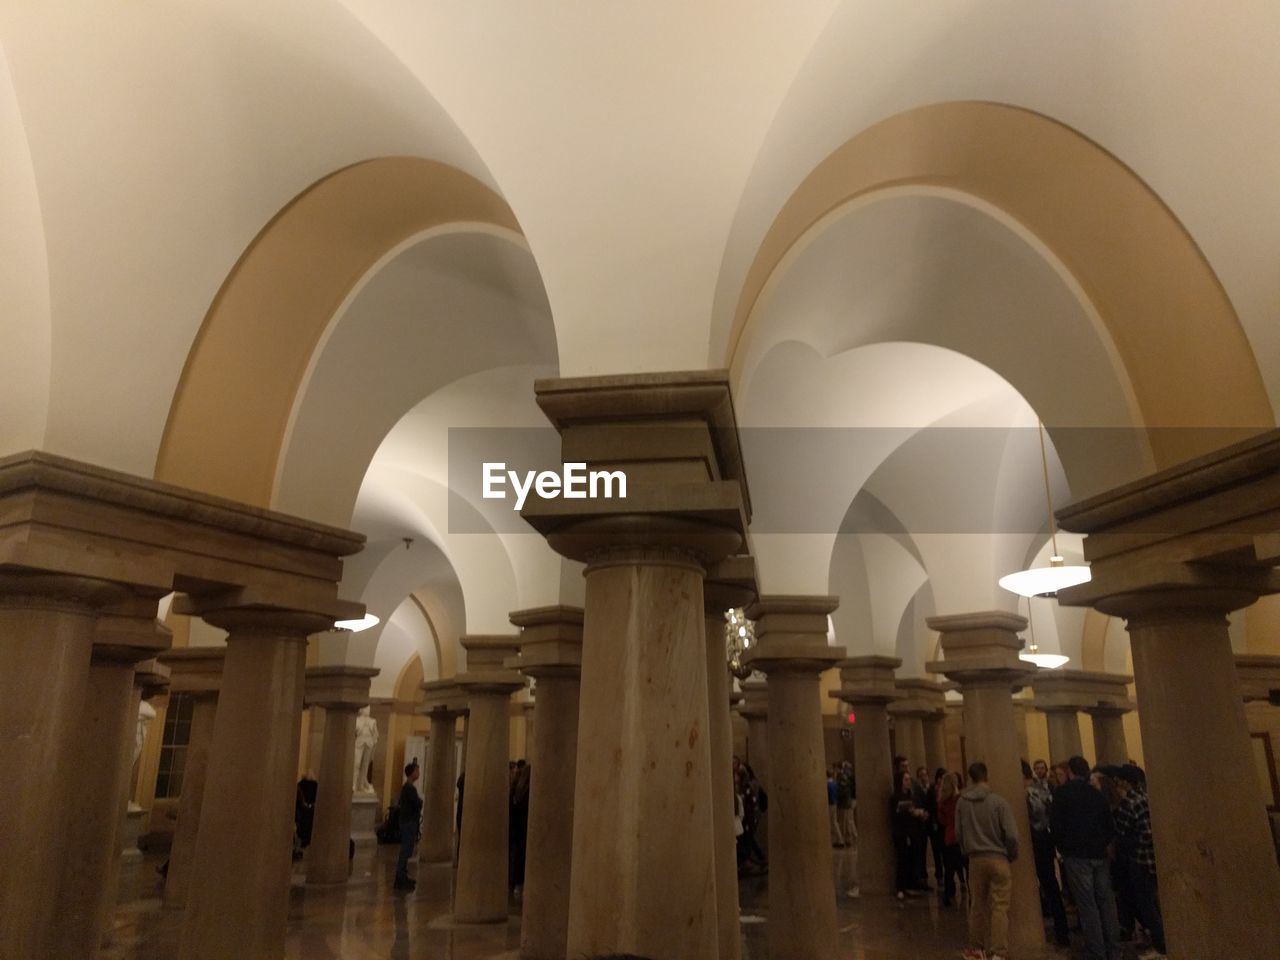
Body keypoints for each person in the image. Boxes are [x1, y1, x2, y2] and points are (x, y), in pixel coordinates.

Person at [1052, 756, 1121, 960]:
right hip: (1098, 854)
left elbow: (1056, 826)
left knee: (1087, 904)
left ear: (1071, 772)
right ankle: (1114, 949)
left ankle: (1096, 951)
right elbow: (1109, 825)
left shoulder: (1062, 794)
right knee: (1106, 902)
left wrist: (1063, 848)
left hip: (1076, 855)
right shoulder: (1096, 794)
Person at [955, 762, 1019, 960]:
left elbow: (959, 833)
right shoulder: (999, 802)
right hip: (998, 857)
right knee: (1000, 907)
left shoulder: (962, 803)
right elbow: (1012, 835)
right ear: (986, 777)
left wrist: (967, 850)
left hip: (976, 858)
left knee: (977, 906)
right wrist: (1010, 854)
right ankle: (998, 952)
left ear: (970, 778)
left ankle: (977, 949)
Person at [1112, 765, 1166, 958]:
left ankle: (1161, 942)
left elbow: (1121, 831)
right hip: (1154, 856)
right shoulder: (1148, 796)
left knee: (1144, 903)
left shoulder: (1129, 802)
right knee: (1154, 900)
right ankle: (1160, 936)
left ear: (1125, 782)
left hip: (1140, 857)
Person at [1025, 759, 1070, 947]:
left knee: (1050, 884)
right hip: (1046, 841)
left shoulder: (1035, 792)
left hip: (1041, 842)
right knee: (1050, 885)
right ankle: (1060, 929)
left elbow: (1040, 818)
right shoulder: (1041, 791)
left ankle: (1060, 930)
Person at [890, 771, 926, 900]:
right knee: (902, 860)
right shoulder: (896, 796)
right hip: (901, 833)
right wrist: (906, 811)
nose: (909, 782)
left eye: (909, 779)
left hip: (912, 831)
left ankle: (911, 884)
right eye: (906, 779)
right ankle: (900, 887)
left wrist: (918, 812)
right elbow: (893, 815)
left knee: (912, 859)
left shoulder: (911, 795)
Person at [394, 763, 422, 890]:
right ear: (412, 773)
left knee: (406, 849)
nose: (419, 773)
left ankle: (402, 876)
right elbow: (417, 804)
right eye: (417, 770)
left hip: (407, 821)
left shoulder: (408, 788)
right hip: (408, 822)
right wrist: (419, 802)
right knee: (405, 850)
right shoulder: (409, 788)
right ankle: (400, 878)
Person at [936, 771, 963, 906]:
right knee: (965, 865)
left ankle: (948, 894)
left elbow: (941, 820)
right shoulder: (958, 799)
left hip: (948, 836)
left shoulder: (941, 801)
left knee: (949, 868)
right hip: (959, 836)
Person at [509, 761, 531, 896]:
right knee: (521, 856)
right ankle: (518, 883)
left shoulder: (516, 790)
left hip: (516, 829)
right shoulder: (528, 792)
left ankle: (515, 884)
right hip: (524, 829)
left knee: (517, 855)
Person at [836, 761, 856, 844]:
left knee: (844, 822)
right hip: (846, 802)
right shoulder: (846, 777)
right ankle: (849, 838)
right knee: (847, 821)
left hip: (844, 803)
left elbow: (842, 790)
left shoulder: (842, 777)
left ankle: (845, 839)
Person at [828, 764, 845, 847]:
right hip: (835, 803)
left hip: (830, 804)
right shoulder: (835, 784)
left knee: (833, 822)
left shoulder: (828, 784)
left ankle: (839, 839)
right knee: (835, 822)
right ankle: (839, 839)